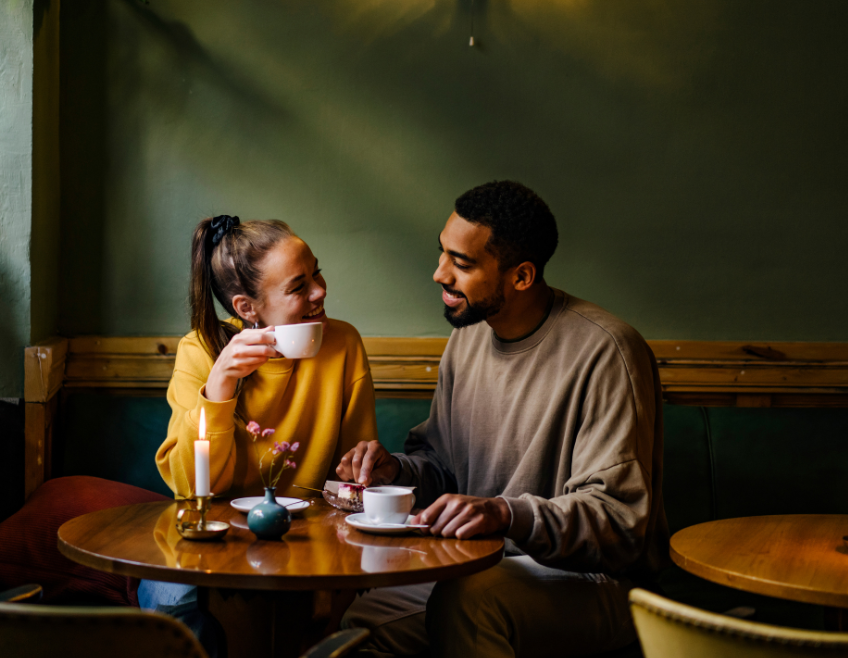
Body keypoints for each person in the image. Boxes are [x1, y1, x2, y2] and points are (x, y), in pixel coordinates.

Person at [337, 181, 670, 658]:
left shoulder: (608, 351)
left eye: (462, 264)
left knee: (470, 602)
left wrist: (504, 513)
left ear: (521, 276)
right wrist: (395, 471)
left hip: (601, 582)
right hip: (483, 566)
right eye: (442, 254)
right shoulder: (469, 336)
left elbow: (617, 522)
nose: (439, 274)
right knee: (363, 624)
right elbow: (441, 466)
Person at [143, 216, 379, 654]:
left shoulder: (342, 344)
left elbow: (353, 484)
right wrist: (219, 387)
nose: (321, 291)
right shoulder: (200, 350)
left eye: (316, 273)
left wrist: (367, 467)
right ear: (247, 308)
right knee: (182, 623)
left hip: (307, 546)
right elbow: (191, 488)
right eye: (298, 287)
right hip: (207, 547)